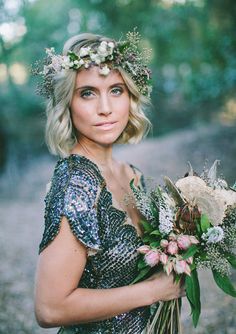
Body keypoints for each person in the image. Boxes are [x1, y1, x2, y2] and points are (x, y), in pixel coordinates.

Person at [34, 30, 185, 334]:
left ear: (130, 96)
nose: (105, 107)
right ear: (68, 103)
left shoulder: (131, 174)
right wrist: (155, 291)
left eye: (116, 90)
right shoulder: (77, 184)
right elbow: (49, 308)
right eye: (87, 93)